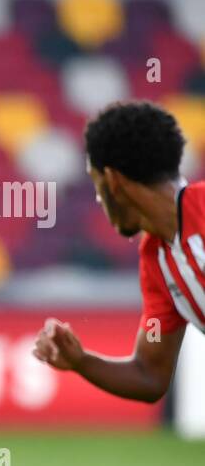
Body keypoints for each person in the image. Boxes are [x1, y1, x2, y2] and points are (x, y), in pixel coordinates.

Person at [34, 101, 203, 398]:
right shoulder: (156, 261)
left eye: (96, 183)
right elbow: (149, 374)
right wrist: (81, 362)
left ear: (113, 180)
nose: (99, 200)